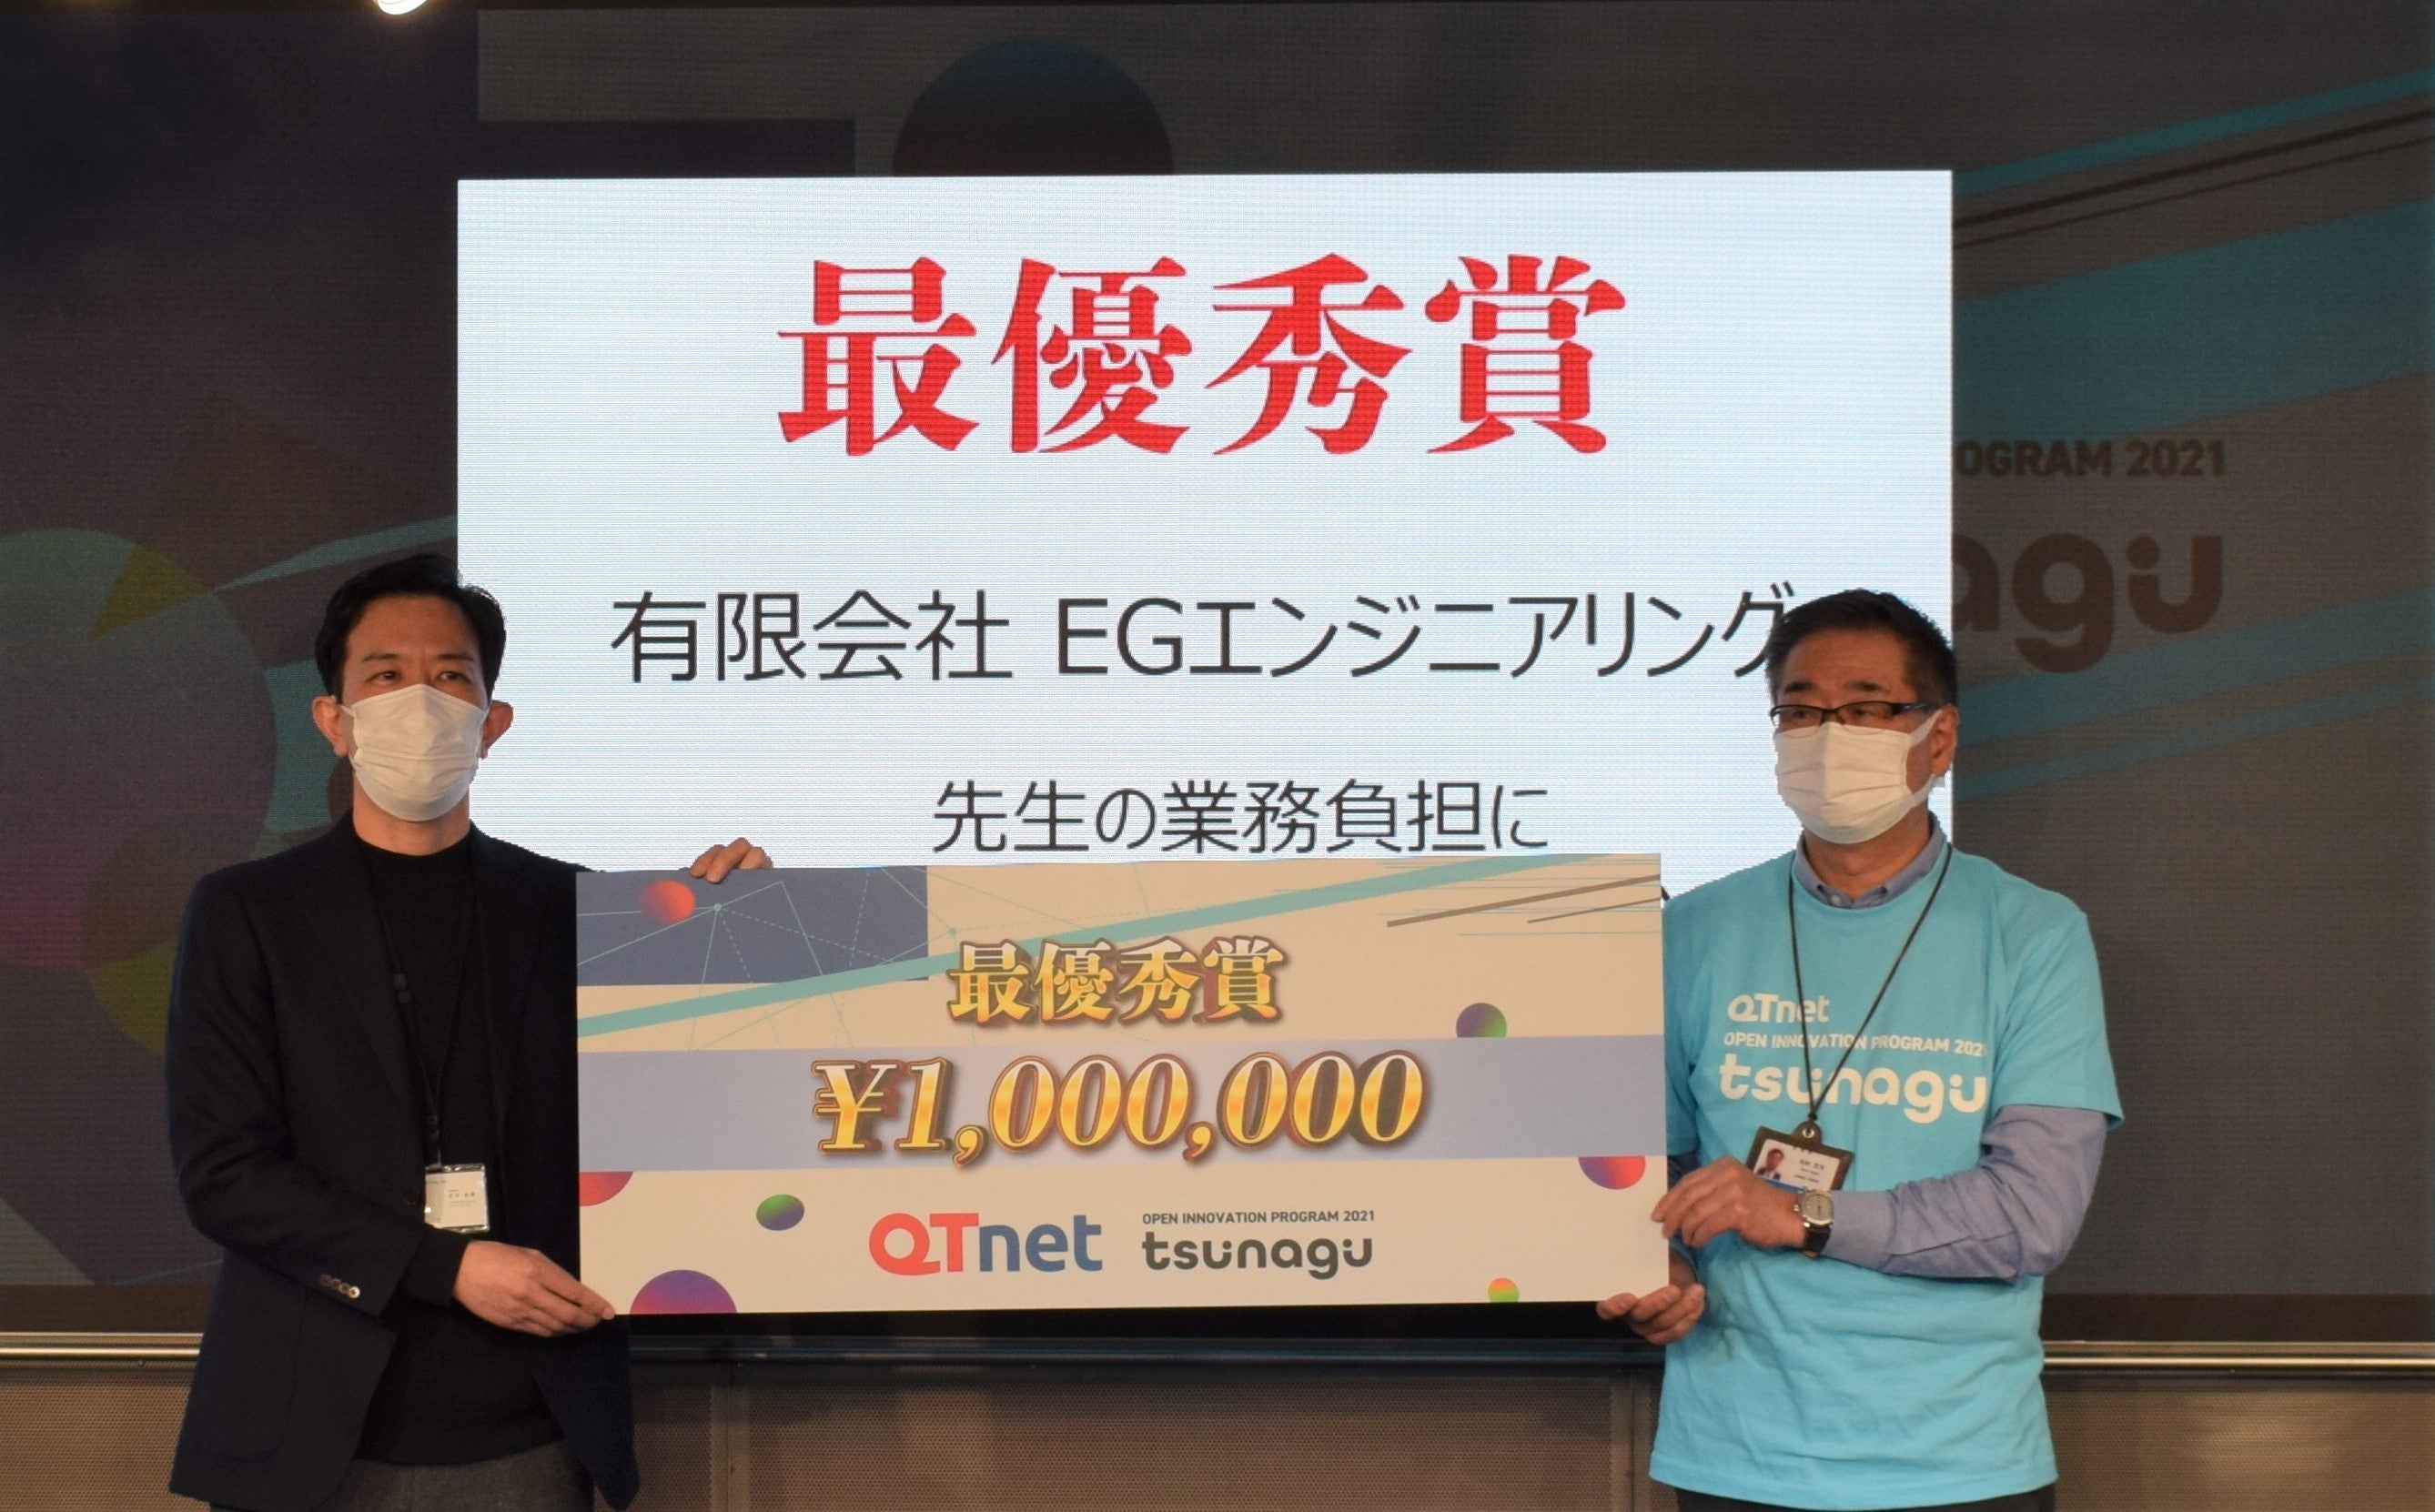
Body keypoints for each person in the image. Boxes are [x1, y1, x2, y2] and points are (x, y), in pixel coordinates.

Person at [166, 554, 771, 1512]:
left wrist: (750, 934)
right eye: (385, 674)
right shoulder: (249, 912)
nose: (420, 700)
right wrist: (446, 1267)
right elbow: (224, 1174)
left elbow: (691, 1122)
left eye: (451, 676)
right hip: (309, 1429)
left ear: (492, 724)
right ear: (334, 720)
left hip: (530, 1425)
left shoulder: (583, 912)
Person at [1599, 590, 2120, 1512]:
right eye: (1800, 711)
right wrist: (1658, 1268)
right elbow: (1641, 1170)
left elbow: (2031, 1215)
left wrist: (1802, 1213)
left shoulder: (2033, 934)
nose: (1828, 736)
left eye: (1867, 708)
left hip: (1960, 1460)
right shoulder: (1695, 930)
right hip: (1733, 1452)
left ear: (1938, 738)